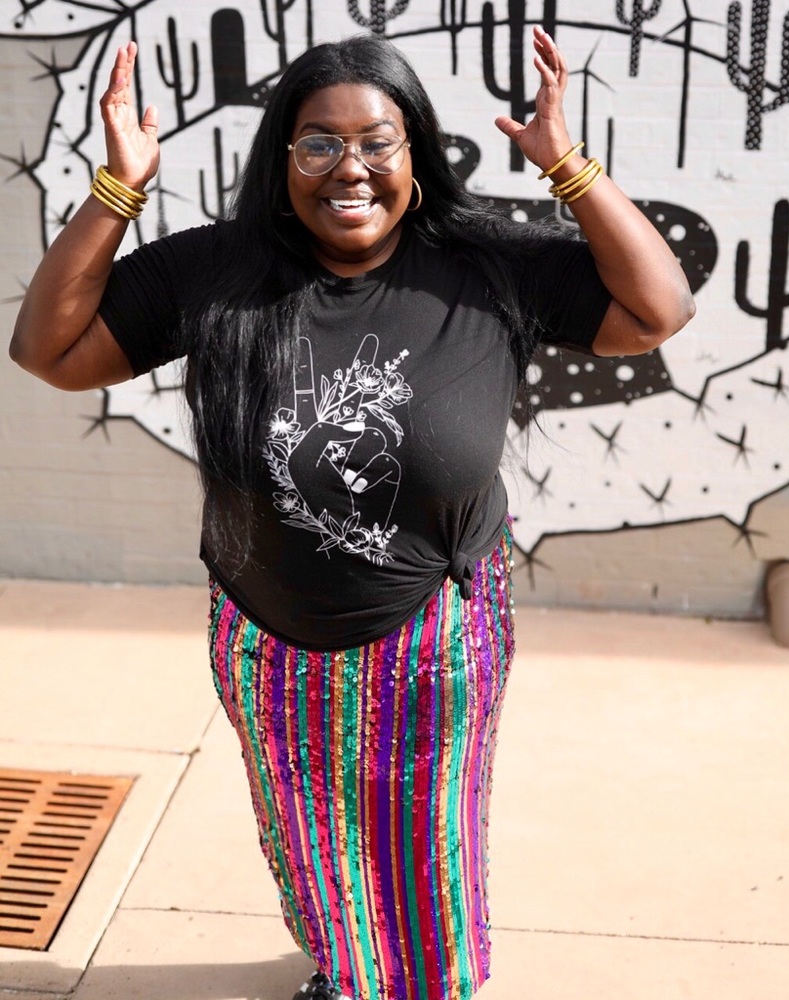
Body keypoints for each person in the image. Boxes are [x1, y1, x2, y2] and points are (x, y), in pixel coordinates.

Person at [10, 27, 694, 1000]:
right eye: (319, 142)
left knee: (424, 849)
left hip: (434, 637)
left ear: (414, 151)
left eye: (377, 139)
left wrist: (565, 166)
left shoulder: (482, 267)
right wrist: (119, 187)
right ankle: (343, 969)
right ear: (283, 157)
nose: (350, 167)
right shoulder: (218, 271)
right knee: (308, 838)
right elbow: (49, 350)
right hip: (266, 640)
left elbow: (657, 308)